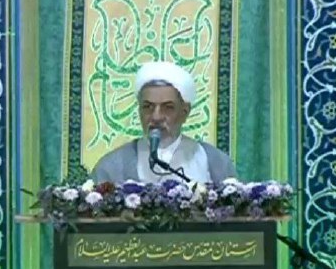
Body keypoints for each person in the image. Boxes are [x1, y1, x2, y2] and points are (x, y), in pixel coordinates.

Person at [91, 61, 236, 184]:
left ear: (184, 112)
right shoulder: (111, 166)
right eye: (148, 107)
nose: (156, 117)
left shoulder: (214, 162)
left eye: (168, 107)